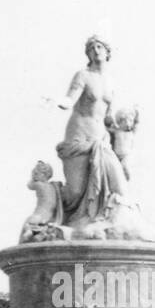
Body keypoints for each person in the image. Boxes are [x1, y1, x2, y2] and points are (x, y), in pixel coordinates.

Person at [56, 36, 128, 227]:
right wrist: (61, 102)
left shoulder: (111, 81)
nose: (96, 51)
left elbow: (108, 116)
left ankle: (100, 222)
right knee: (76, 191)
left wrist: (124, 129)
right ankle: (54, 210)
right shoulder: (83, 75)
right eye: (91, 48)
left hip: (101, 139)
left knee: (119, 187)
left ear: (107, 51)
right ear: (88, 53)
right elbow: (70, 98)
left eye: (99, 47)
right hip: (80, 134)